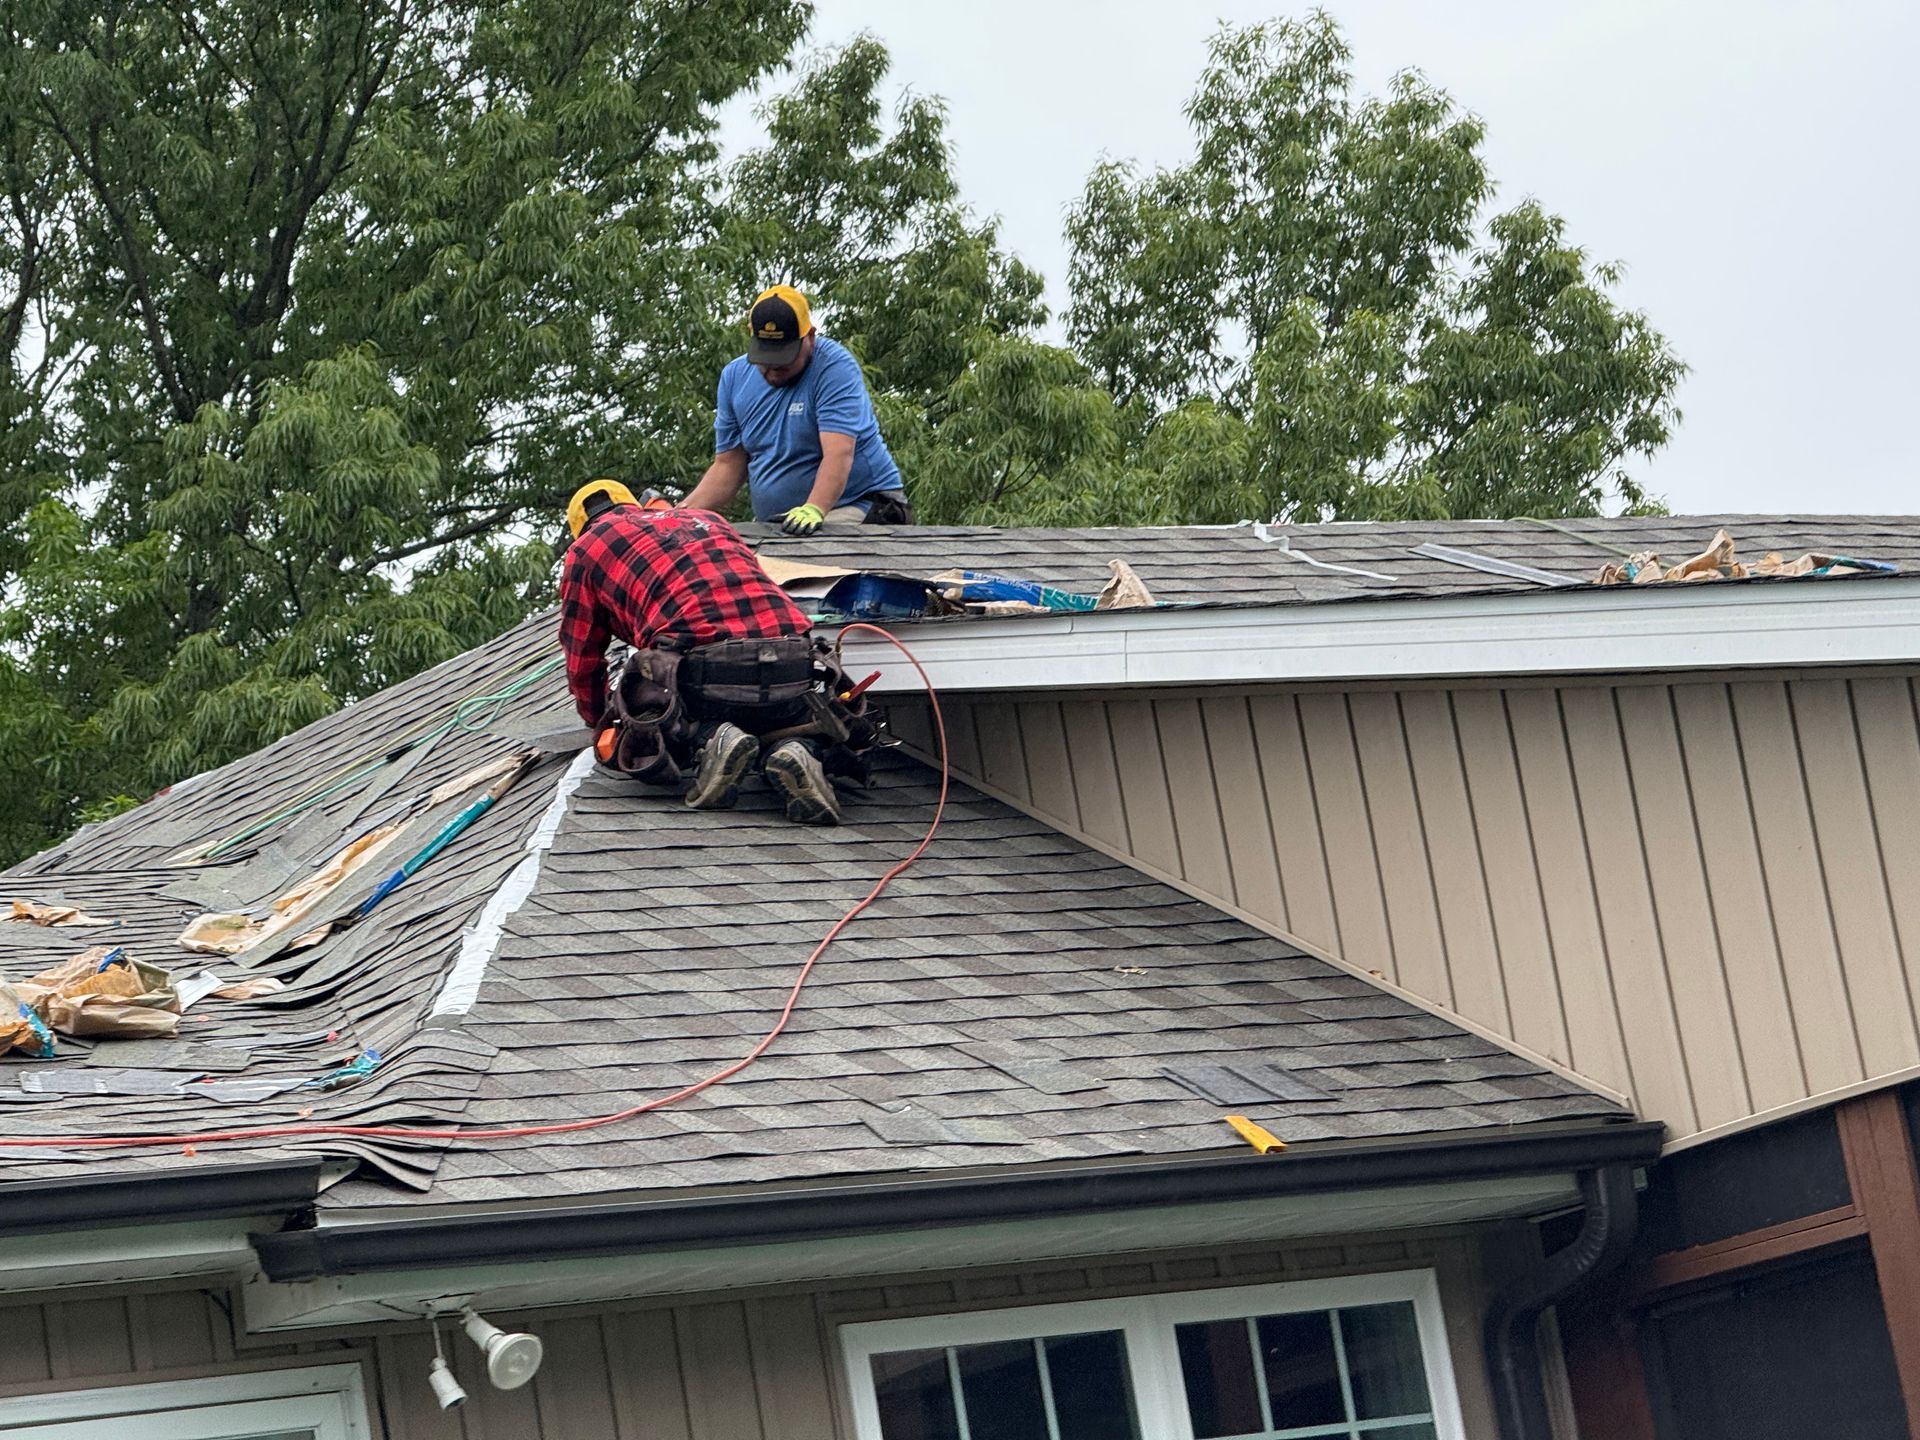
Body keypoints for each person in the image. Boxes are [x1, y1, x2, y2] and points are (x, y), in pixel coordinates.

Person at [557, 479, 849, 825]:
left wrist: (602, 721)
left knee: (642, 688)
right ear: (636, 505)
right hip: (795, 662)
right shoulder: (706, 519)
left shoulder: (586, 550)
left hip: (709, 673)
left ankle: (709, 739)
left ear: (580, 529)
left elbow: (583, 658)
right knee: (775, 707)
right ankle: (799, 748)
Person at [681, 284, 912, 535]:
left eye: (783, 357)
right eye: (765, 358)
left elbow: (838, 453)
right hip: (780, 524)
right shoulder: (734, 378)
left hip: (861, 506)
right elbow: (728, 465)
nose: (772, 368)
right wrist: (679, 516)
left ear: (809, 337)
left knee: (801, 553)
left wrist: (814, 508)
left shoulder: (834, 368)